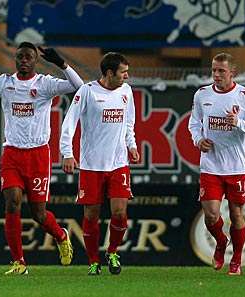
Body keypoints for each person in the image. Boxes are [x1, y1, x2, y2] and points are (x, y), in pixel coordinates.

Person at [0, 38, 82, 275]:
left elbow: (79, 86)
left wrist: (61, 63)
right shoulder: (4, 83)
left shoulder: (45, 84)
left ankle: (60, 235)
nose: (24, 61)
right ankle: (19, 262)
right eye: (20, 57)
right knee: (12, 203)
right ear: (15, 59)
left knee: (38, 214)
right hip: (12, 154)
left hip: (38, 155)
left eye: (29, 57)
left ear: (36, 60)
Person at [60, 52, 139, 276]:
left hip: (118, 163)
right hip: (91, 165)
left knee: (120, 212)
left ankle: (112, 251)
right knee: (91, 215)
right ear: (109, 73)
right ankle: (93, 261)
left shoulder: (126, 91)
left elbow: (129, 122)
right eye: (123, 72)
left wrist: (131, 145)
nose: (127, 76)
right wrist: (67, 152)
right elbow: (69, 123)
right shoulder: (87, 91)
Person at [188, 53, 245, 276]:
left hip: (237, 167)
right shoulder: (202, 94)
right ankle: (221, 243)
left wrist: (238, 123)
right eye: (214, 70)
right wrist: (198, 140)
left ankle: (237, 260)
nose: (216, 75)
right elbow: (194, 124)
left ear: (233, 73)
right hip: (211, 165)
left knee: (236, 214)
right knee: (211, 215)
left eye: (221, 71)